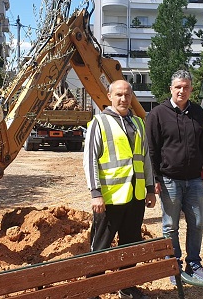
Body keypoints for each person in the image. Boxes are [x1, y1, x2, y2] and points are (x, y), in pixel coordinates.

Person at [84, 80, 156, 299]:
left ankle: (127, 286)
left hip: (135, 195)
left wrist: (150, 189)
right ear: (109, 96)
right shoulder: (99, 122)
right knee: (101, 245)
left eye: (127, 95)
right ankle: (93, 289)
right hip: (109, 198)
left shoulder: (138, 123)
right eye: (119, 95)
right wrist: (95, 193)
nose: (123, 99)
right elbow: (90, 160)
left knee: (130, 242)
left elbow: (145, 158)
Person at [146, 70, 203, 282]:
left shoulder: (198, 113)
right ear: (171, 89)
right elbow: (152, 150)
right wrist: (156, 179)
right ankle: (173, 265)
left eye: (186, 87)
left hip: (194, 179)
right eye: (178, 87)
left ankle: (193, 263)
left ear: (191, 89)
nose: (182, 91)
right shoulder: (158, 114)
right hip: (169, 180)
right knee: (170, 225)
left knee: (197, 223)